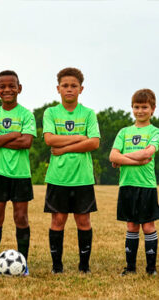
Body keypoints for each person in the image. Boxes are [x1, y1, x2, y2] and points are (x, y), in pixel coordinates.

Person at [43, 67, 100, 274]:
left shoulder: (88, 114)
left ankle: (84, 266)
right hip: (58, 177)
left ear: (81, 89)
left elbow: (94, 143)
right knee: (58, 219)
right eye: (65, 86)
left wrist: (65, 147)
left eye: (73, 86)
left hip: (83, 177)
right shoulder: (51, 112)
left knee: (83, 220)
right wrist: (79, 137)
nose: (69, 89)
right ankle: (57, 266)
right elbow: (49, 139)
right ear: (58, 88)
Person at [0, 70, 37, 275]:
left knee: (21, 218)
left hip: (21, 174)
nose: (7, 89)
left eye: (11, 85)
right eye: (2, 86)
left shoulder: (26, 114)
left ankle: (24, 264)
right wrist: (14, 134)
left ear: (19, 88)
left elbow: (26, 142)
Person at [109, 89, 159, 276]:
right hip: (127, 185)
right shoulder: (124, 132)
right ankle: (130, 268)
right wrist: (132, 159)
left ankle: (151, 268)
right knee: (131, 226)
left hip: (146, 186)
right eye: (137, 107)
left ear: (152, 109)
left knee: (148, 226)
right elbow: (112, 156)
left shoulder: (154, 132)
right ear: (132, 108)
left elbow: (147, 153)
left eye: (144, 107)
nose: (140, 111)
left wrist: (122, 158)